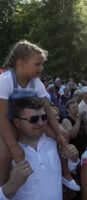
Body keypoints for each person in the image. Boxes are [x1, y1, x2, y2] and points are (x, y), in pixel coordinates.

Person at [0, 40, 66, 185]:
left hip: (26, 119)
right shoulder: (6, 81)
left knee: (63, 136)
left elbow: (47, 108)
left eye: (42, 64)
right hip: (10, 120)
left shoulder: (35, 82)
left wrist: (59, 132)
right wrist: (13, 146)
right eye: (37, 64)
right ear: (21, 63)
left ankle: (65, 174)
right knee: (4, 156)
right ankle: (3, 190)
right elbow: (2, 117)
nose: (41, 68)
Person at [0, 97, 79, 199]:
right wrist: (12, 184)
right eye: (34, 119)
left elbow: (69, 168)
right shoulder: (7, 153)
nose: (41, 123)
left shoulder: (54, 142)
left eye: (44, 117)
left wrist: (74, 158)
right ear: (16, 122)